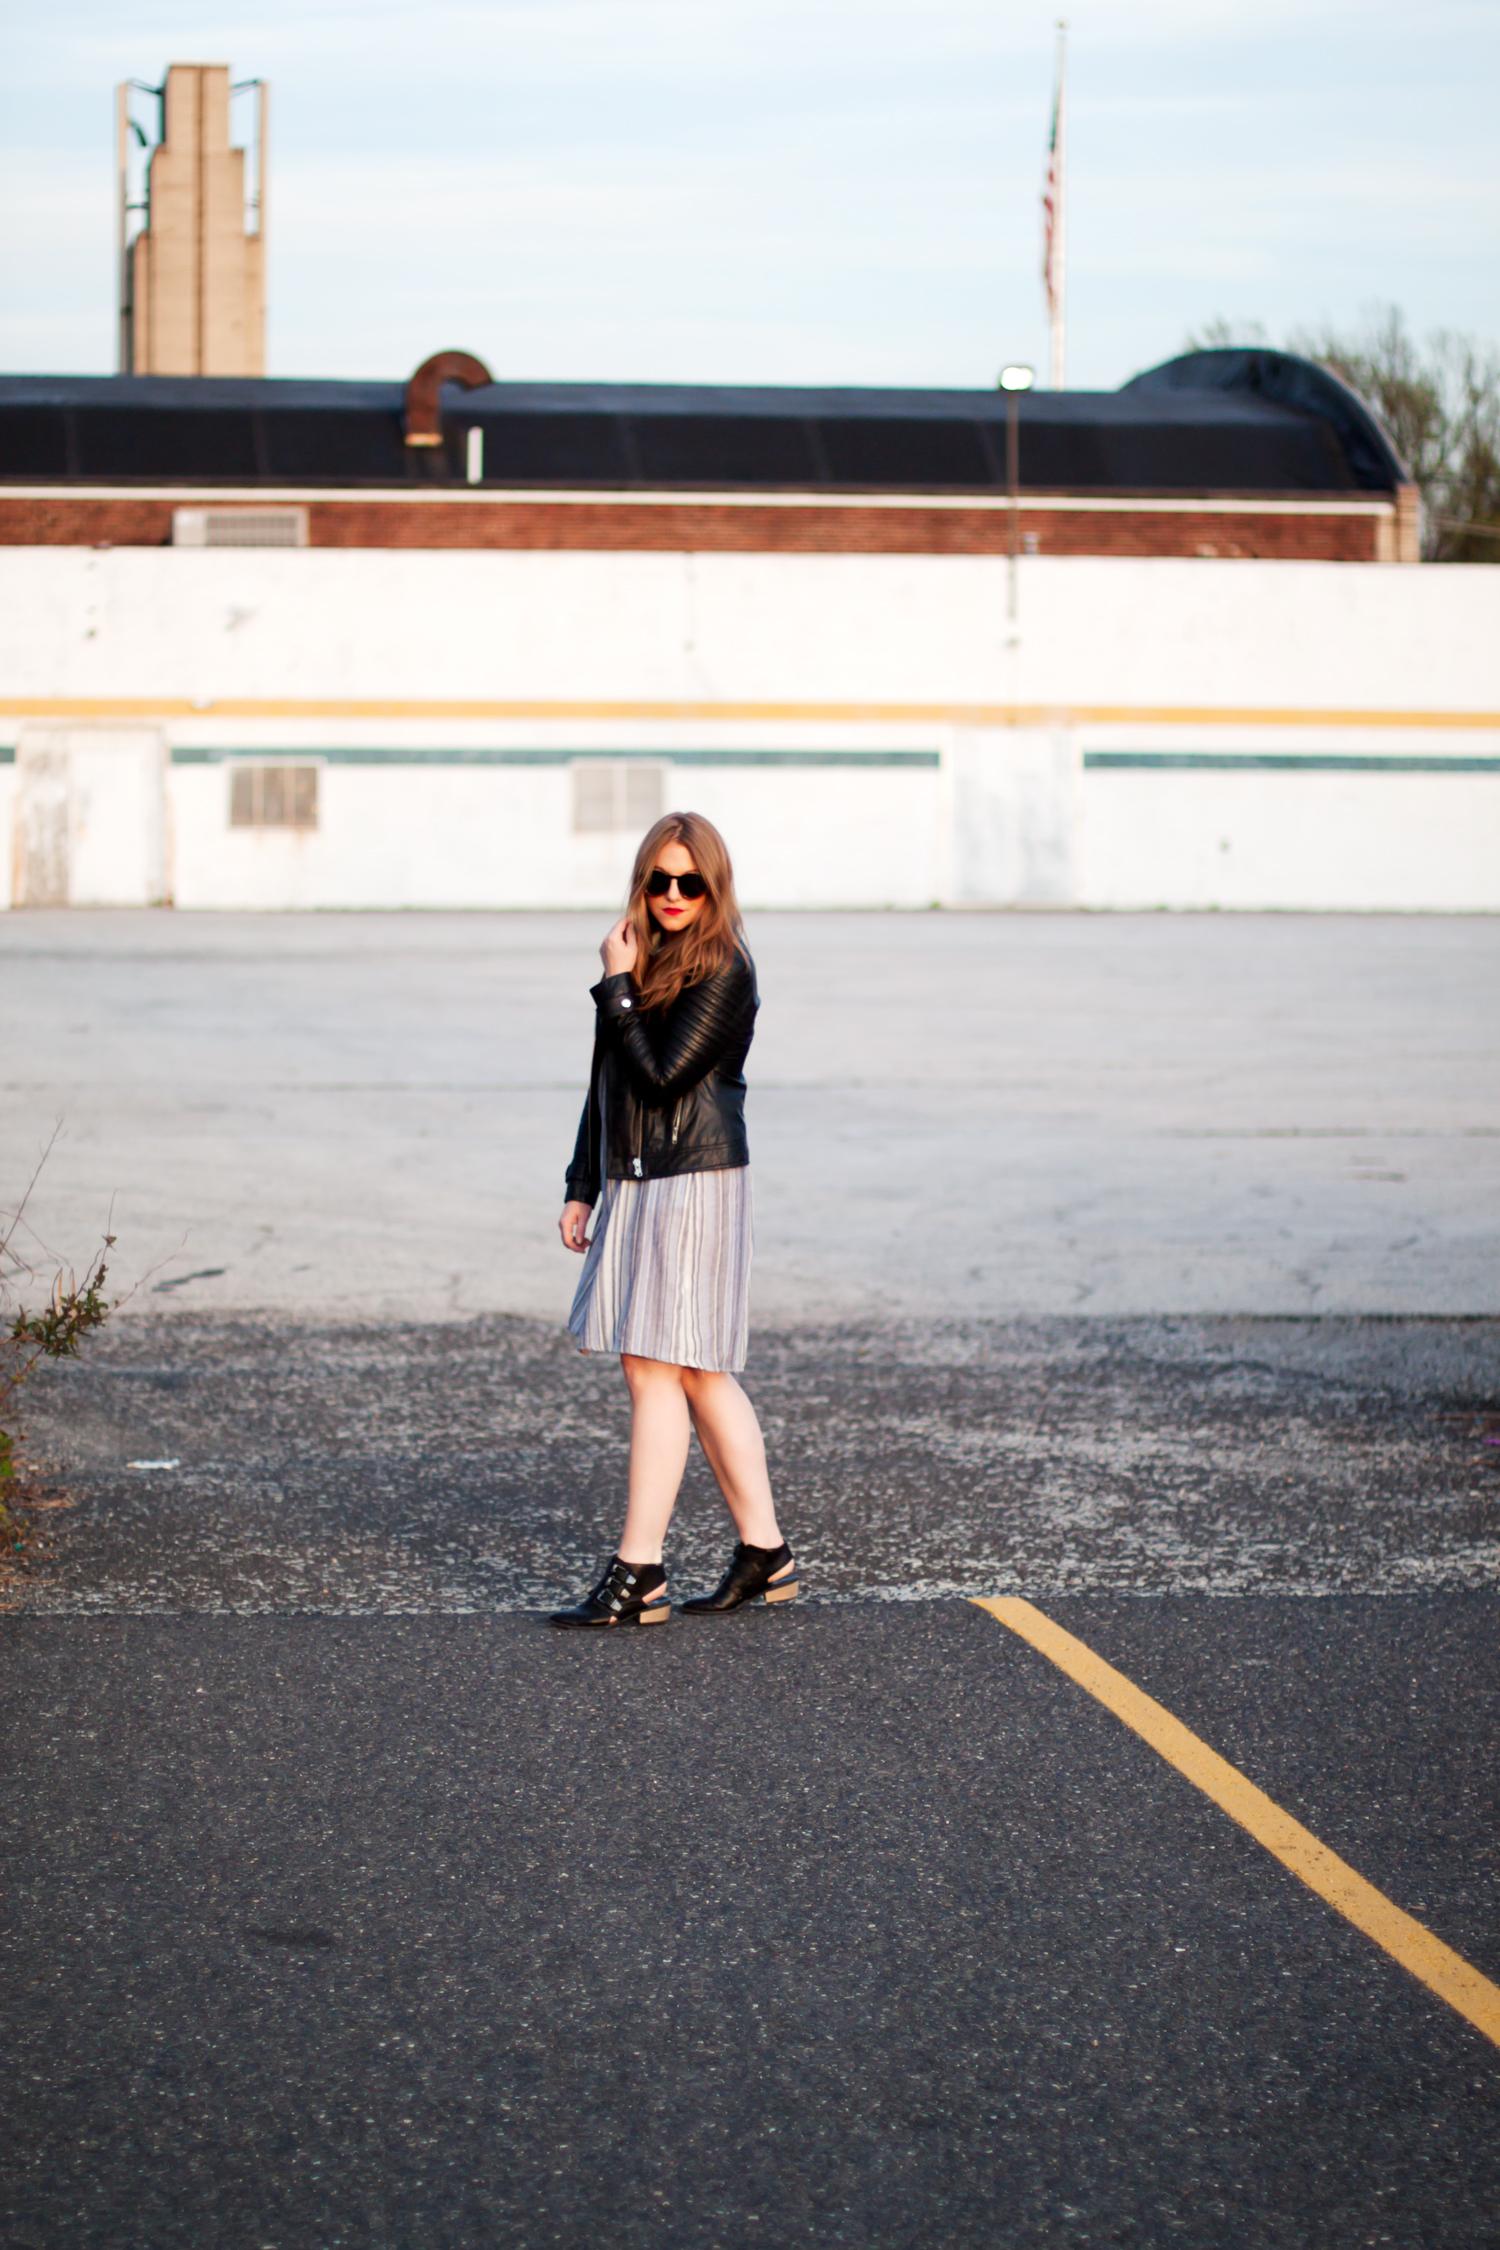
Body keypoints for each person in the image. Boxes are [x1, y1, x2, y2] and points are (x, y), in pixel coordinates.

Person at [549, 811, 797, 1629]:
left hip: (694, 1179)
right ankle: (764, 1554)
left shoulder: (725, 968)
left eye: (691, 881)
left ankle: (640, 1570)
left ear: (713, 886)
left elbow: (660, 1078)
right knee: (690, 1372)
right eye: (660, 879)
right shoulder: (641, 959)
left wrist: (616, 986)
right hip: (638, 1177)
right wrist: (582, 1183)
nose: (674, 893)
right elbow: (607, 1084)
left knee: (659, 1367)